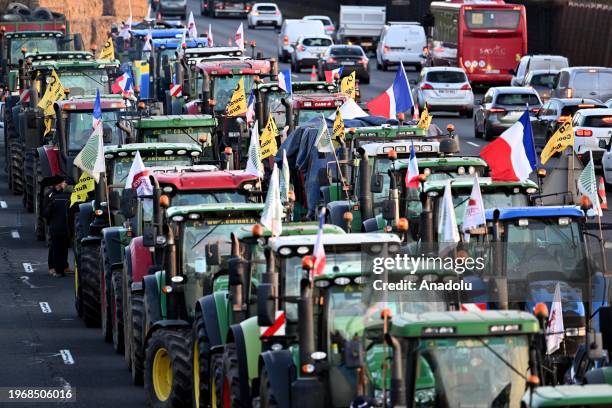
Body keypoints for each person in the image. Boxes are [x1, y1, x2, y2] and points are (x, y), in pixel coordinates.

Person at [43, 179, 71, 277]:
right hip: (62, 226)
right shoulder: (51, 195)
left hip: (55, 225)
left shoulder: (55, 198)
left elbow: (46, 212)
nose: (64, 183)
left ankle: (62, 267)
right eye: (62, 182)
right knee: (57, 247)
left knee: (59, 247)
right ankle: (53, 267)